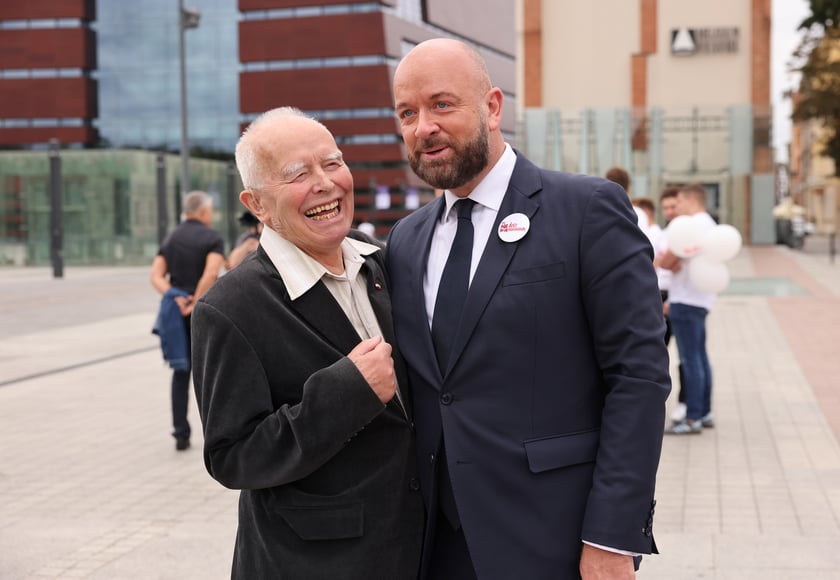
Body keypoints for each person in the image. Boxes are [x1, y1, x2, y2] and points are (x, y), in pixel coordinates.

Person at [387, 38, 671, 579]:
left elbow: (638, 378)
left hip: (554, 540)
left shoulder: (587, 211)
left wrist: (611, 536)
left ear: (493, 107)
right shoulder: (405, 239)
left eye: (442, 104)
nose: (424, 127)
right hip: (434, 546)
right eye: (407, 113)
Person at [190, 107, 424, 579]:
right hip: (315, 564)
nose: (325, 183)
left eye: (333, 163)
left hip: (415, 550)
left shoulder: (384, 262)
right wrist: (347, 393)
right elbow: (232, 457)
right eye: (298, 174)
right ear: (257, 204)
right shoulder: (229, 308)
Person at [150, 190, 226, 451]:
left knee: (181, 372)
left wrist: (177, 297)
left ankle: (181, 433)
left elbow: (156, 276)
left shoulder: (171, 237)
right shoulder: (213, 237)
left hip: (175, 312)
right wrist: (195, 303)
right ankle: (217, 434)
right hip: (204, 312)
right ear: (203, 211)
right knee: (211, 374)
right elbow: (211, 273)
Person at [659, 183, 718, 435]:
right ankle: (704, 411)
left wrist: (665, 260)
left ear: (692, 200)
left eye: (680, 203)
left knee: (690, 359)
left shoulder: (691, 226)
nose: (677, 208)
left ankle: (692, 417)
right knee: (700, 357)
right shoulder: (709, 224)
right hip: (702, 298)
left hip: (686, 298)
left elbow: (667, 261)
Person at [658, 186, 686, 422]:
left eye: (673, 206)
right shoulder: (664, 233)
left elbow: (673, 265)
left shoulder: (686, 232)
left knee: (686, 357)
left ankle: (684, 403)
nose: (670, 211)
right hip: (659, 295)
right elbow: (658, 262)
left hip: (678, 297)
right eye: (665, 208)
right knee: (657, 353)